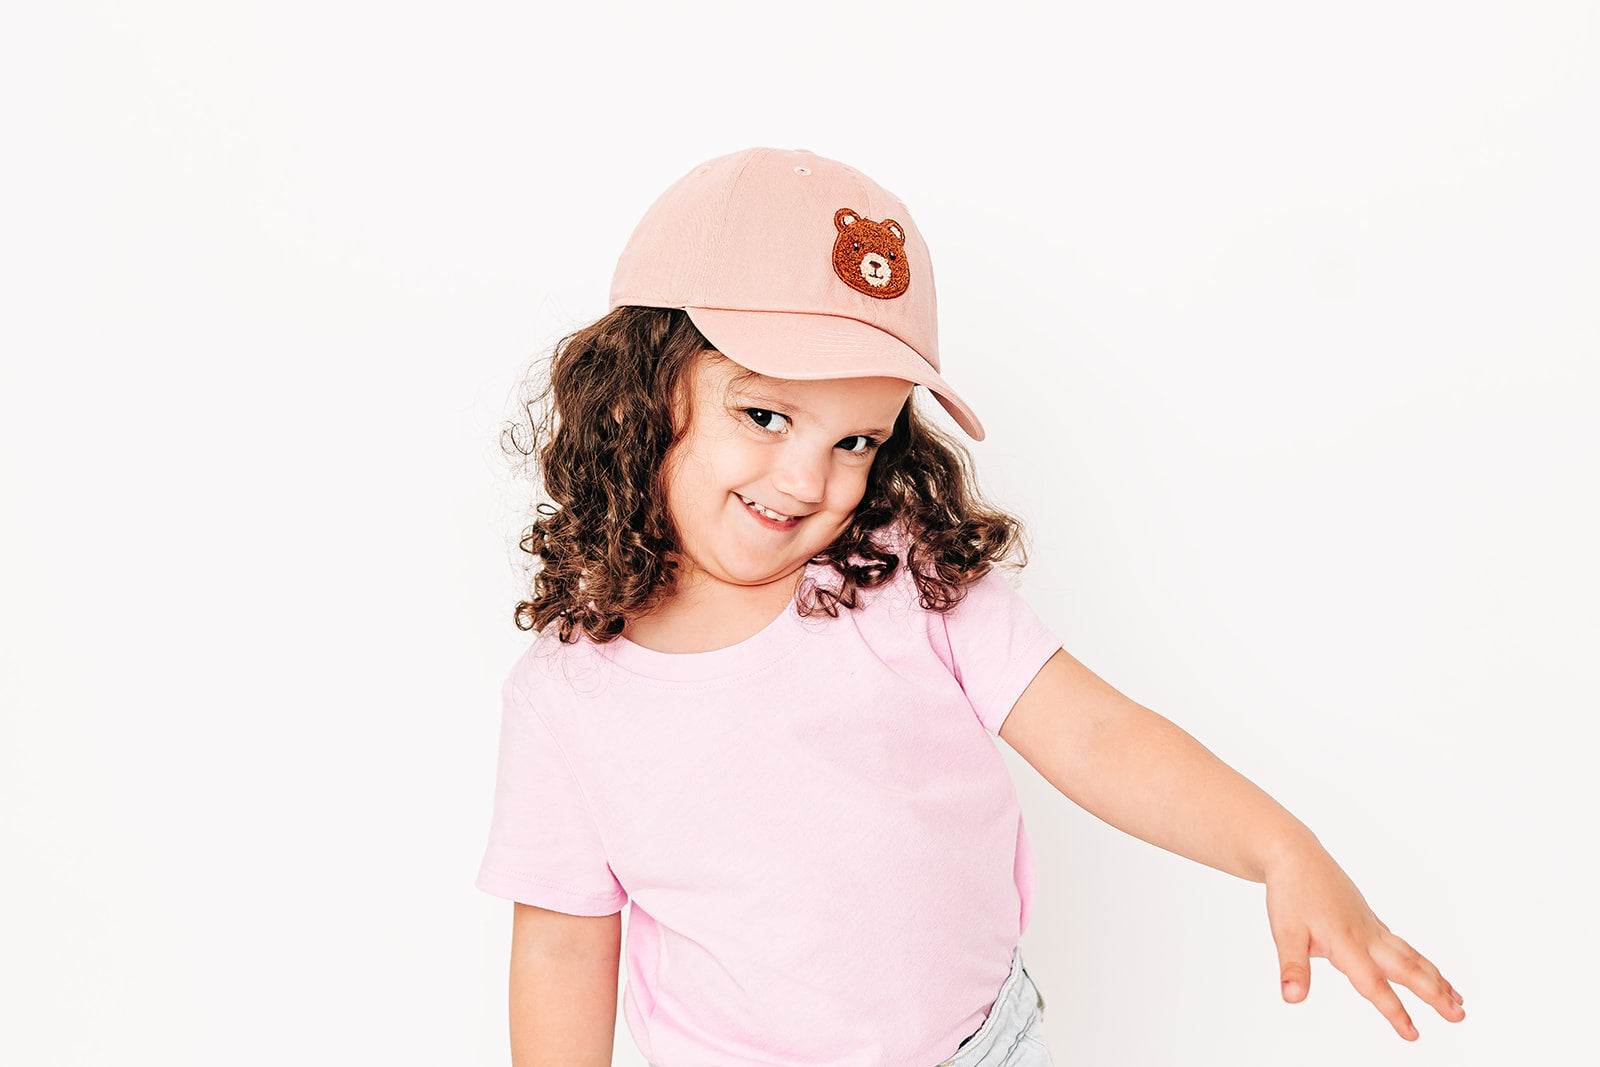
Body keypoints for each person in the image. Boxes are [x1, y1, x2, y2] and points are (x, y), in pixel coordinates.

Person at [475, 147, 1465, 1067]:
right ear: (636, 393)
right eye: (765, 413)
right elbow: (563, 945)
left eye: (857, 440)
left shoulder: (901, 576)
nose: (809, 478)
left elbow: (1096, 735)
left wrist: (1279, 846)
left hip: (983, 1046)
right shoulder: (566, 696)